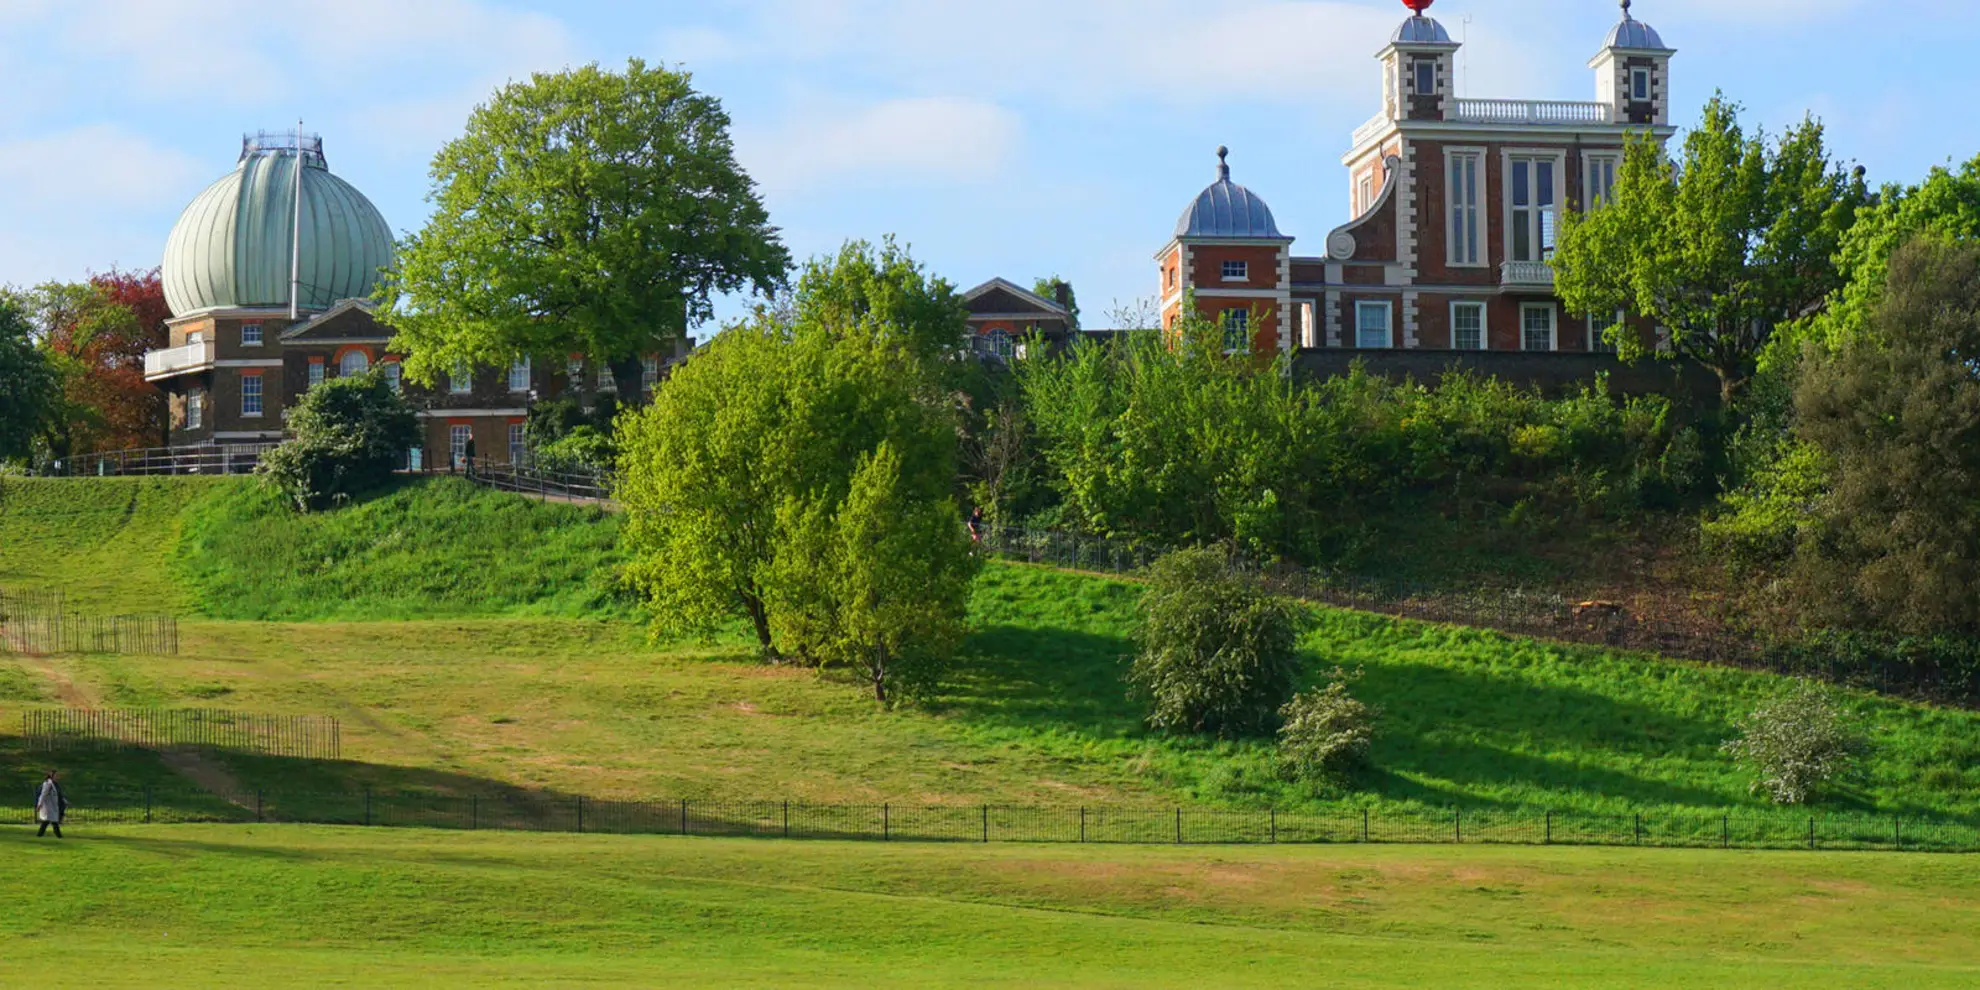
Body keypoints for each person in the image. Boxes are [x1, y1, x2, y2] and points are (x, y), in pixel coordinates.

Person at [35, 771, 65, 839]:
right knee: (53, 822)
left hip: (52, 806)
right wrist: (39, 804)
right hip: (48, 806)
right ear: (52, 776)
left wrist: (64, 801)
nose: (57, 777)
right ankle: (59, 836)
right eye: (56, 775)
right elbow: (43, 795)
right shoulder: (47, 784)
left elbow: (58, 795)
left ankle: (40, 835)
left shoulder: (54, 784)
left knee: (48, 822)